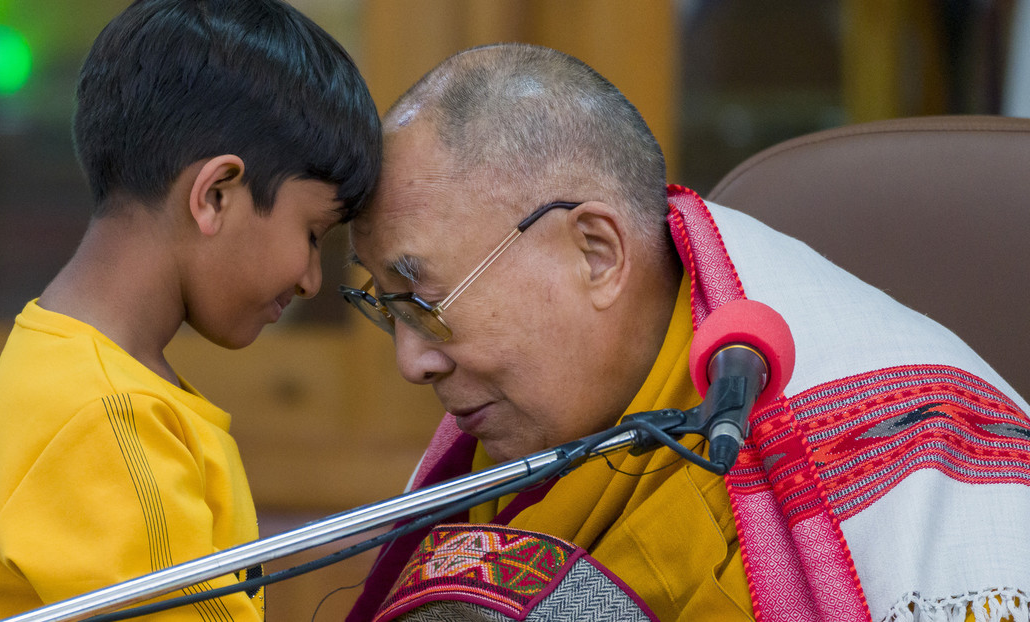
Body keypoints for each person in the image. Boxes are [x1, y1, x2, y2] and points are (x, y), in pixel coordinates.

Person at [340, 43, 1030, 622]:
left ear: (597, 254)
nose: (412, 361)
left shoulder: (909, 460)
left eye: (426, 299)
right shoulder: (502, 450)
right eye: (388, 306)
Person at [0, 1, 381, 620]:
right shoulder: (110, 422)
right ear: (215, 195)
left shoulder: (66, 368)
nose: (309, 279)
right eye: (311, 234)